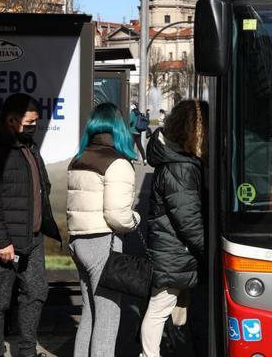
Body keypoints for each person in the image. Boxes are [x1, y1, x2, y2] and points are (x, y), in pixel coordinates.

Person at [0, 93, 62, 357]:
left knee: (36, 291)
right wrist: (1, 241)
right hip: (4, 242)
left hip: (31, 238)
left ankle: (27, 350)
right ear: (11, 120)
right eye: (30, 122)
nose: (34, 127)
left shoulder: (27, 145)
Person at [67, 102, 140, 356]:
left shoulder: (79, 159)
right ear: (119, 127)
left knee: (89, 313)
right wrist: (136, 220)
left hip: (78, 242)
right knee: (108, 316)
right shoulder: (117, 163)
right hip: (103, 243)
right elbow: (118, 216)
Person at [141, 99, 208, 357]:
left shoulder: (176, 160)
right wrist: (208, 250)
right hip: (174, 252)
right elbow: (188, 220)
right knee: (159, 308)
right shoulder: (180, 167)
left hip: (173, 249)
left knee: (169, 308)